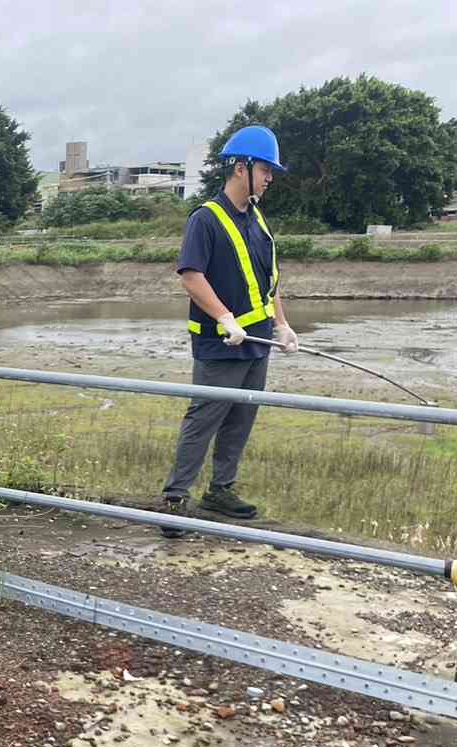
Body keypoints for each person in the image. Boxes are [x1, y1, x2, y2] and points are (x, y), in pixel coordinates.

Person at [159, 124, 299, 538]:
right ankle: (174, 499)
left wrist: (283, 324)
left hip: (256, 343)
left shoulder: (257, 220)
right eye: (266, 169)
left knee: (240, 421)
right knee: (203, 419)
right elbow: (191, 275)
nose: (271, 177)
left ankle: (220, 491)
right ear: (242, 167)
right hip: (220, 343)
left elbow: (267, 282)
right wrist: (223, 316)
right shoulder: (206, 219)